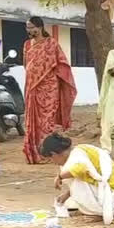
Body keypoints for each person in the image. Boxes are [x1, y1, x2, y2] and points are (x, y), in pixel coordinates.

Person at [40, 133, 114, 225]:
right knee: (70, 175)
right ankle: (92, 210)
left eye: (50, 159)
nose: (53, 163)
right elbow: (86, 178)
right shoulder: (76, 153)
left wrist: (60, 177)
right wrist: (66, 195)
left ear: (54, 154)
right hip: (107, 193)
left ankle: (96, 212)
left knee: (68, 173)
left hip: (111, 198)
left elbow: (81, 170)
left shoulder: (77, 155)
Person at [22, 16, 77, 164]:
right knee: (33, 121)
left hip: (49, 88)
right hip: (32, 88)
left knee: (47, 121)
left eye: (32, 27)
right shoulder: (27, 45)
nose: (29, 30)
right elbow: (26, 65)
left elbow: (62, 63)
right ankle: (34, 152)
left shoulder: (51, 43)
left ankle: (46, 152)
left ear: (40, 28)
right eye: (27, 27)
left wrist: (45, 73)